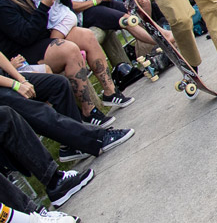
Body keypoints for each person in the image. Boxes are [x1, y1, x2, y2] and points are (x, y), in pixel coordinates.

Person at [0, 0, 124, 122]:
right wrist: (44, 6)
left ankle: (110, 92)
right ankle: (89, 111)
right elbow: (25, 36)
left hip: (43, 38)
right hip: (24, 54)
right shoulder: (3, 3)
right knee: (70, 50)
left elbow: (59, 12)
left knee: (87, 36)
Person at [0, 49, 134, 162]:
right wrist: (16, 85)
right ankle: (95, 139)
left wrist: (21, 79)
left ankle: (74, 145)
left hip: (6, 78)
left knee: (58, 84)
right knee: (37, 110)